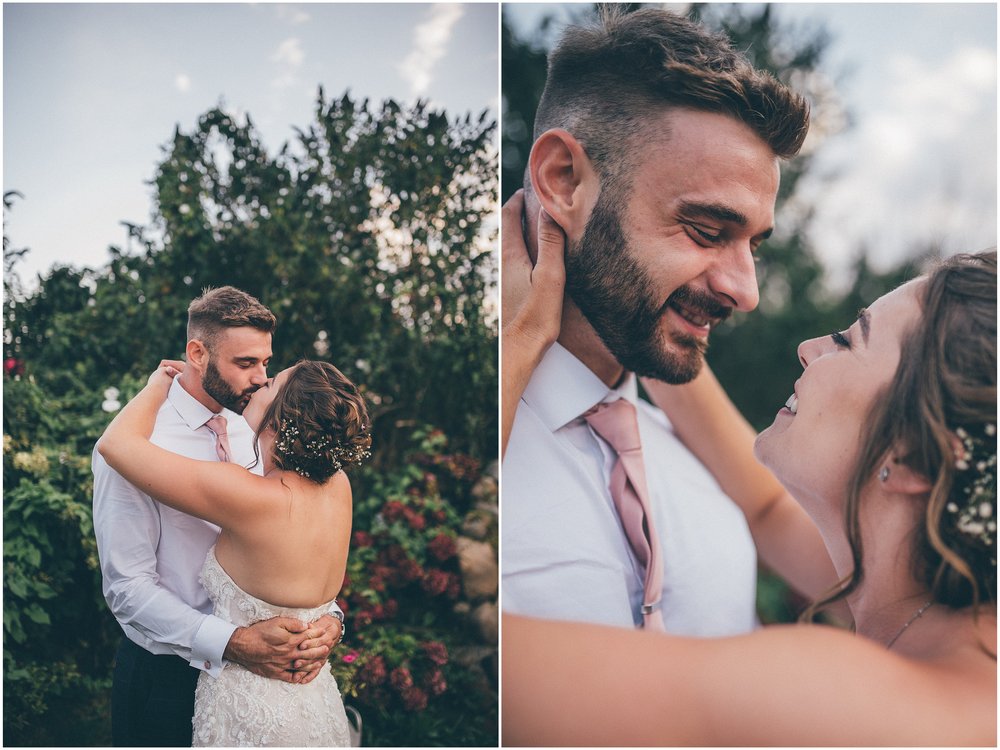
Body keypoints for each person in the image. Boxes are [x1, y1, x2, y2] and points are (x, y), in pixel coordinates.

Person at [503, 238, 997, 744]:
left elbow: (484, 663)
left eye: (849, 342)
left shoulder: (847, 702)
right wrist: (635, 298)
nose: (808, 349)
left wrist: (516, 337)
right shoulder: (949, 610)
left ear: (912, 453)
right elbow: (768, 508)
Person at [502, 5, 831, 635]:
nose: (747, 292)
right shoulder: (475, 445)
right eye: (708, 230)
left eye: (753, 246)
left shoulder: (717, 471)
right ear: (562, 180)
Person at [92, 286, 345, 746]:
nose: (260, 379)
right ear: (197, 353)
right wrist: (232, 642)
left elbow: (300, 535)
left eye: (266, 363)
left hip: (269, 684)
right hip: (167, 678)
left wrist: (328, 618)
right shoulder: (142, 444)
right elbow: (127, 587)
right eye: (245, 363)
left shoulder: (261, 428)